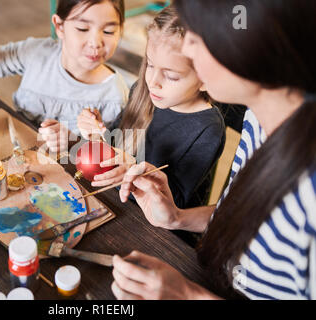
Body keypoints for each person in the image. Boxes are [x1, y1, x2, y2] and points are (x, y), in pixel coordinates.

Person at [112, 0, 316, 300]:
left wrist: (188, 295)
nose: (189, 52)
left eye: (197, 38)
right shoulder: (258, 120)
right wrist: (177, 218)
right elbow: (250, 220)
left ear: (251, 45)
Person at [76, 6, 225, 209]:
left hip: (157, 224)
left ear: (208, 79)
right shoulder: (144, 90)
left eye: (171, 75)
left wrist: (135, 171)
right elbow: (114, 144)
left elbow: (177, 201)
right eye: (150, 65)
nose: (152, 81)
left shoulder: (208, 129)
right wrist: (96, 133)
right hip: (117, 199)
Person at [0, 0, 129, 138]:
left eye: (108, 32)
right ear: (59, 26)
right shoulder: (37, 52)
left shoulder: (114, 97)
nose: (95, 43)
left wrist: (77, 141)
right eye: (82, 28)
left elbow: (111, 155)